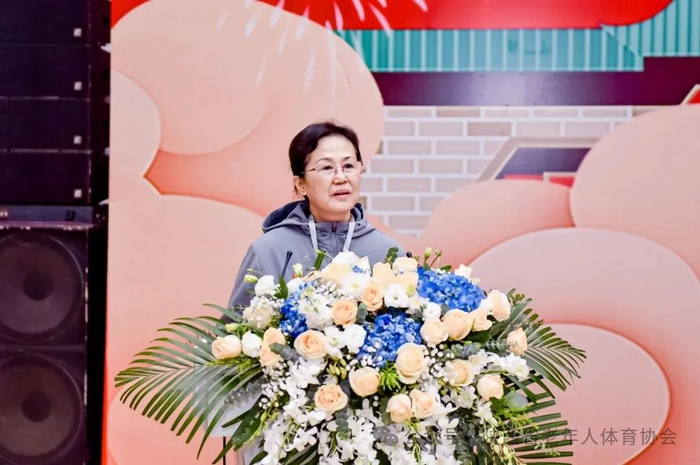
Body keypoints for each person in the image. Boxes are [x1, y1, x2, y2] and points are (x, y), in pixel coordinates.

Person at [227, 121, 404, 309]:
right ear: (300, 184)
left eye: (349, 166)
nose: (341, 177)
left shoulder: (388, 253)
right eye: (326, 168)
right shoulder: (267, 252)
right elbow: (235, 325)